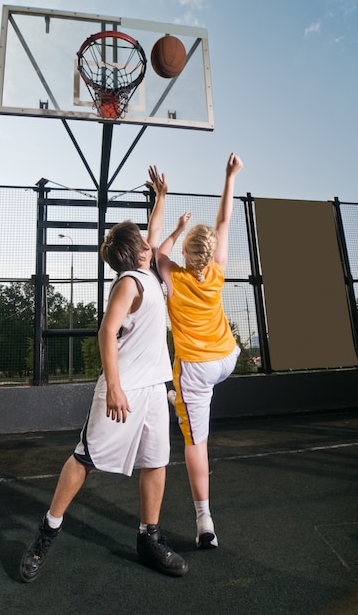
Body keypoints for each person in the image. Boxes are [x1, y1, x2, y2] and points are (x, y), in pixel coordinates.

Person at [20, 166, 188, 582]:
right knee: (84, 458)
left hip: (152, 389)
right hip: (123, 389)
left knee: (156, 462)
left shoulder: (148, 274)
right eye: (144, 243)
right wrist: (113, 387)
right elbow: (106, 332)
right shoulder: (130, 282)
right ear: (137, 253)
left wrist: (162, 198)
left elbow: (156, 232)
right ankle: (46, 533)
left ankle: (149, 537)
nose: (151, 243)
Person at [156, 152, 243, 549]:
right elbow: (224, 221)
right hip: (229, 357)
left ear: (187, 256)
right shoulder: (218, 269)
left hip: (197, 369)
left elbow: (156, 250)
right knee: (191, 404)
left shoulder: (173, 277)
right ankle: (182, 401)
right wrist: (230, 176)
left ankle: (204, 520)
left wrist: (174, 227)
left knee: (195, 442)